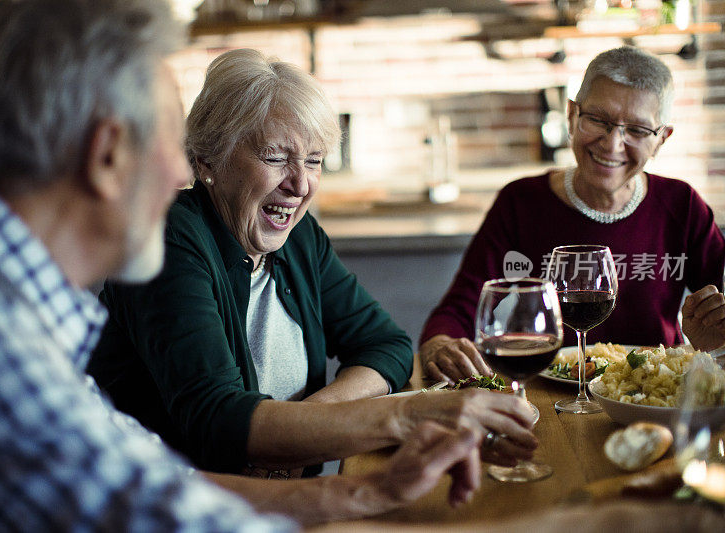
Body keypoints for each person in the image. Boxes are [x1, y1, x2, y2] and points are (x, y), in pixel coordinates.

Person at [0, 0, 504, 529]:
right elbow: (180, 508)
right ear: (107, 155)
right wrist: (405, 417)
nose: (179, 174)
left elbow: (153, 479)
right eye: (167, 144)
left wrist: (367, 493)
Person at [87, 48, 538, 477]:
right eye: (276, 157)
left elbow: (388, 346)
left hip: (296, 495)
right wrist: (399, 414)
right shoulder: (169, 239)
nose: (300, 184)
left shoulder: (298, 238)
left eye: (315, 160)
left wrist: (306, 421)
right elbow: (217, 421)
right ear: (208, 158)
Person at [419, 46, 725, 384]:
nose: (612, 145)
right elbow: (461, 307)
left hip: (655, 394)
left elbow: (721, 299)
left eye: (637, 130)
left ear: (661, 139)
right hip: (543, 395)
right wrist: (440, 345)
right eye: (597, 119)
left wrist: (713, 335)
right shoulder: (521, 202)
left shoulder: (681, 204)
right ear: (571, 117)